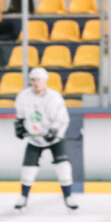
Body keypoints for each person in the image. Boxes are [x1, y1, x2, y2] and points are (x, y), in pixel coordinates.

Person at [12, 67, 77, 212]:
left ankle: (68, 196)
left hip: (54, 139)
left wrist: (54, 131)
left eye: (39, 80)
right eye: (33, 80)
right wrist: (20, 127)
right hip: (34, 139)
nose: (36, 83)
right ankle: (23, 197)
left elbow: (62, 119)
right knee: (28, 168)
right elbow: (20, 117)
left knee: (63, 167)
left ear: (45, 81)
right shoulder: (23, 96)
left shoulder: (54, 97)